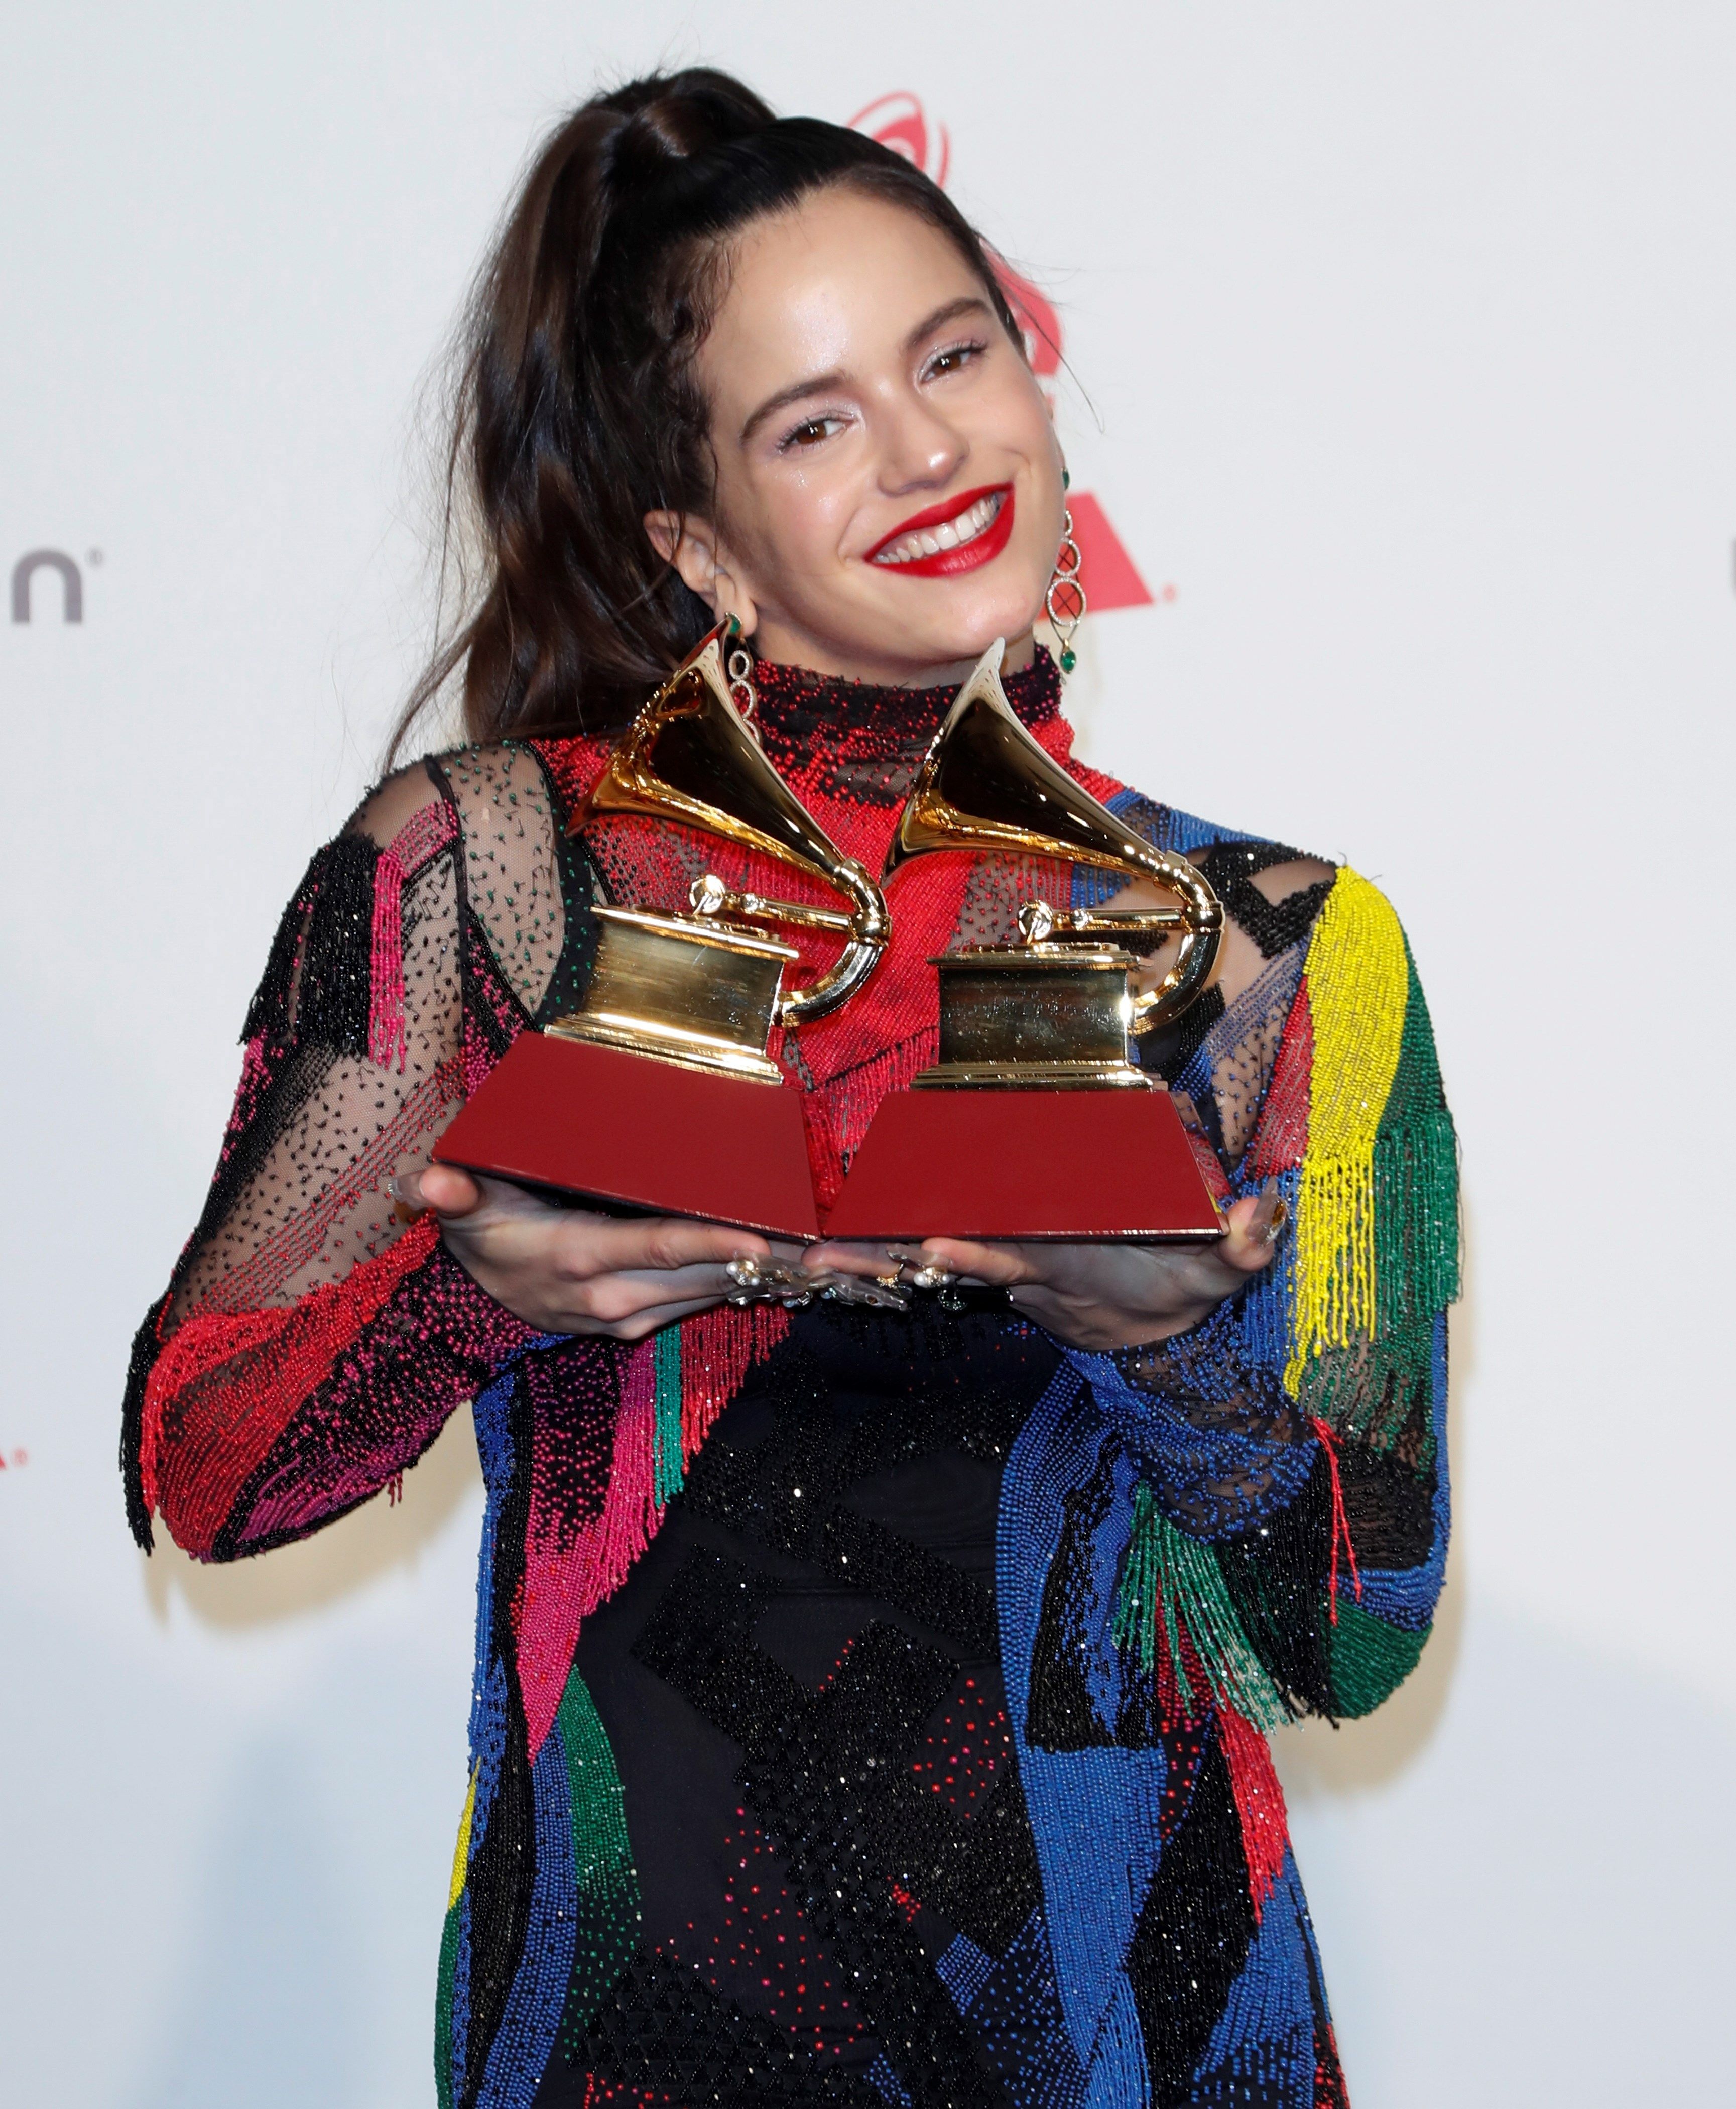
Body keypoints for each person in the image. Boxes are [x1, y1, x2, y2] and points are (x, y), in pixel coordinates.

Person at [122, 68, 1459, 2109]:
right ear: (700, 542)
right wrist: (492, 1298)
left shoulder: (1277, 944)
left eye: (955, 358)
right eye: (813, 422)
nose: (930, 452)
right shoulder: (490, 876)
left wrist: (1168, 1352)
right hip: (632, 2017)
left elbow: (1354, 1627)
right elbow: (205, 1464)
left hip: (1138, 2015)